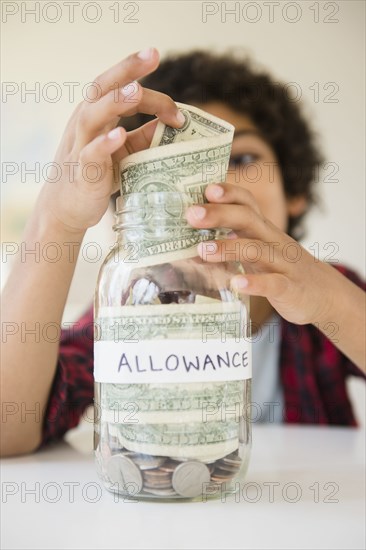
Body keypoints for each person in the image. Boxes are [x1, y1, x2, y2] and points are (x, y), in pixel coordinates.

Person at [1, 48, 365, 458]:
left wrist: (333, 304)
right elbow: (8, 429)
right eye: (166, 164)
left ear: (294, 190)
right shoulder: (127, 306)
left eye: (242, 158)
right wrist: (57, 221)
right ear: (131, 200)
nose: (208, 184)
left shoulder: (331, 294)